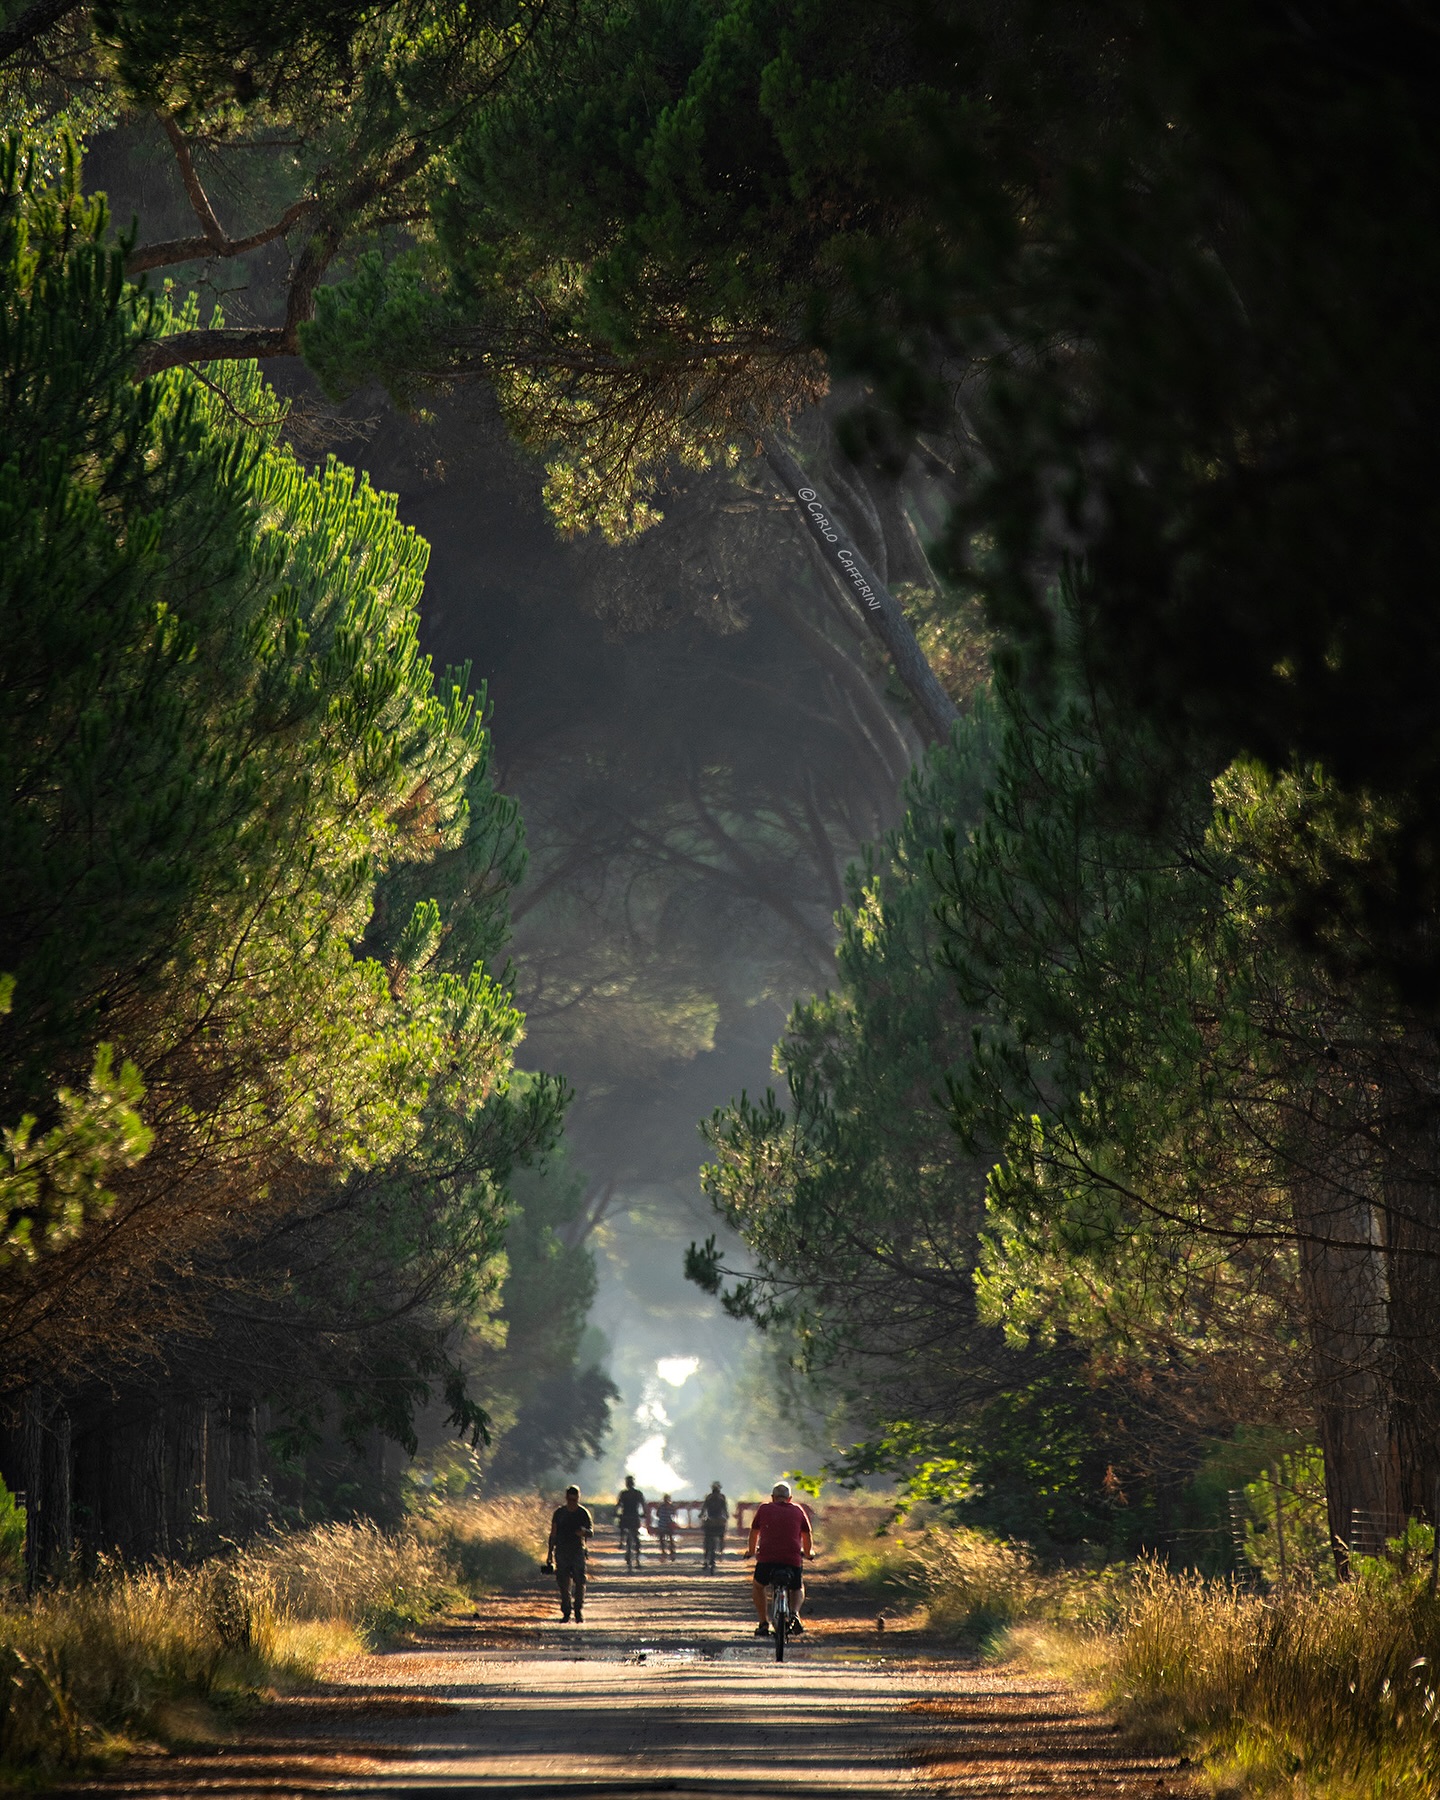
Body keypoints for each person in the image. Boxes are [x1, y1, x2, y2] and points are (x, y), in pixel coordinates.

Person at [745, 1479, 813, 1636]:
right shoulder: (798, 1510)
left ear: (772, 1497)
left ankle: (763, 1623)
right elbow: (806, 1535)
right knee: (797, 1587)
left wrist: (751, 1551)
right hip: (792, 1559)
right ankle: (795, 1613)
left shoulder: (764, 1509)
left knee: (758, 1585)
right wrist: (809, 1553)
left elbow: (754, 1531)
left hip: (766, 1559)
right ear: (790, 1498)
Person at [546, 1485, 594, 1623]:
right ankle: (566, 1611)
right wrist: (549, 1553)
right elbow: (553, 1533)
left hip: (578, 1550)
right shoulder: (559, 1513)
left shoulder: (583, 1513)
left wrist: (584, 1532)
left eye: (575, 1499)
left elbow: (591, 1532)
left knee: (580, 1581)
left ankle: (578, 1609)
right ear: (566, 1498)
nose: (572, 1502)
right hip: (561, 1550)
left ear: (578, 1498)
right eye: (570, 1499)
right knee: (563, 1582)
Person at [615, 1474, 646, 1568]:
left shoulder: (623, 1493)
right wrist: (644, 1514)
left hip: (625, 1516)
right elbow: (643, 1505)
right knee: (636, 1536)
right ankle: (637, 1559)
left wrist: (615, 1513)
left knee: (622, 1527)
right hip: (634, 1516)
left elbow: (618, 1505)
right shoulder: (638, 1493)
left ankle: (621, 1541)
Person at [701, 1480, 728, 1573]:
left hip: (710, 1521)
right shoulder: (722, 1498)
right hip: (719, 1522)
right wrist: (726, 1516)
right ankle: (721, 1549)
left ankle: (705, 1560)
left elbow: (704, 1509)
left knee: (707, 1541)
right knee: (721, 1535)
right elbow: (725, 1510)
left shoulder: (708, 1497)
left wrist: (701, 1515)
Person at [656, 1493, 678, 1561]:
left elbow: (657, 1515)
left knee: (661, 1539)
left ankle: (663, 1552)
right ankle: (672, 1552)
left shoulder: (660, 1507)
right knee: (671, 1539)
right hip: (669, 1525)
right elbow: (674, 1515)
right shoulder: (671, 1507)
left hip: (662, 1525)